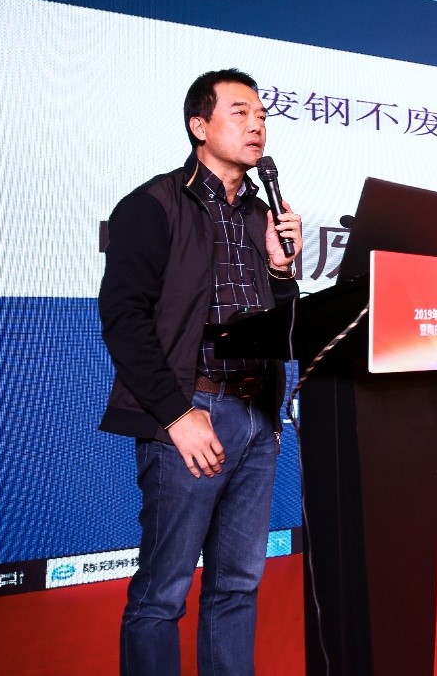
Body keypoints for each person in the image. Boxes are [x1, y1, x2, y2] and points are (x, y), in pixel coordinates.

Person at [98, 68, 303, 675]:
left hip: (257, 417)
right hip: (193, 414)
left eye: (262, 115)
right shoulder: (152, 205)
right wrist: (177, 415)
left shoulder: (259, 217)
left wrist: (282, 271)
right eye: (240, 113)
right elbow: (124, 321)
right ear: (199, 125)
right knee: (162, 594)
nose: (257, 125)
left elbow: (284, 329)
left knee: (237, 585)